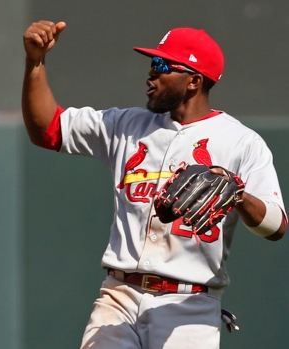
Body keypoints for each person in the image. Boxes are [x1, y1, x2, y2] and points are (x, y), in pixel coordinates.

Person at [21, 21, 287, 349]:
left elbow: (277, 227)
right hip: (118, 296)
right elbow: (47, 129)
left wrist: (239, 195)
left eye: (162, 65)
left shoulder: (241, 142)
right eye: (151, 64)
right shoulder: (127, 124)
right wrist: (35, 62)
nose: (151, 73)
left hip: (189, 307)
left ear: (194, 81)